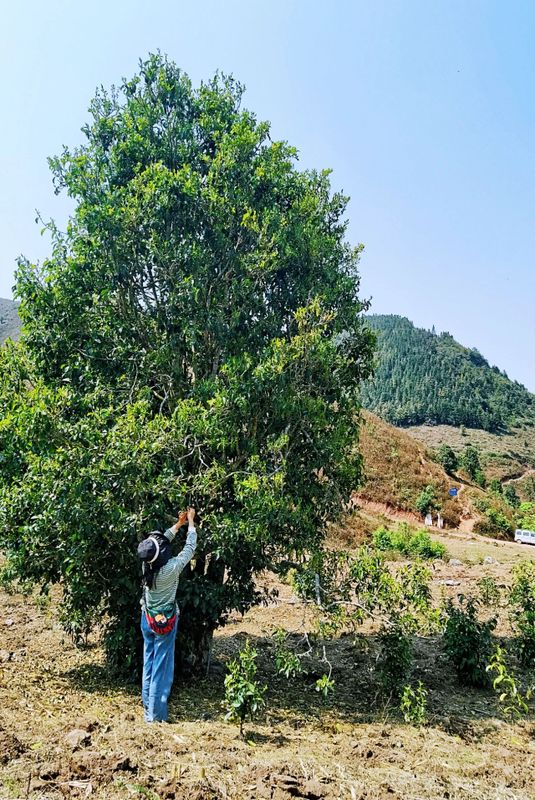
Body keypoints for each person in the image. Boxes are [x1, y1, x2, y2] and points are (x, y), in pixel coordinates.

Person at [137, 507, 197, 723]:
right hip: (164, 623)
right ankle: (155, 717)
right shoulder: (169, 570)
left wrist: (178, 524)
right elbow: (189, 550)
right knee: (161, 668)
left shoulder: (148, 565)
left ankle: (147, 708)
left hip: (147, 618)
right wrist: (191, 523)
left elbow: (161, 542)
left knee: (149, 662)